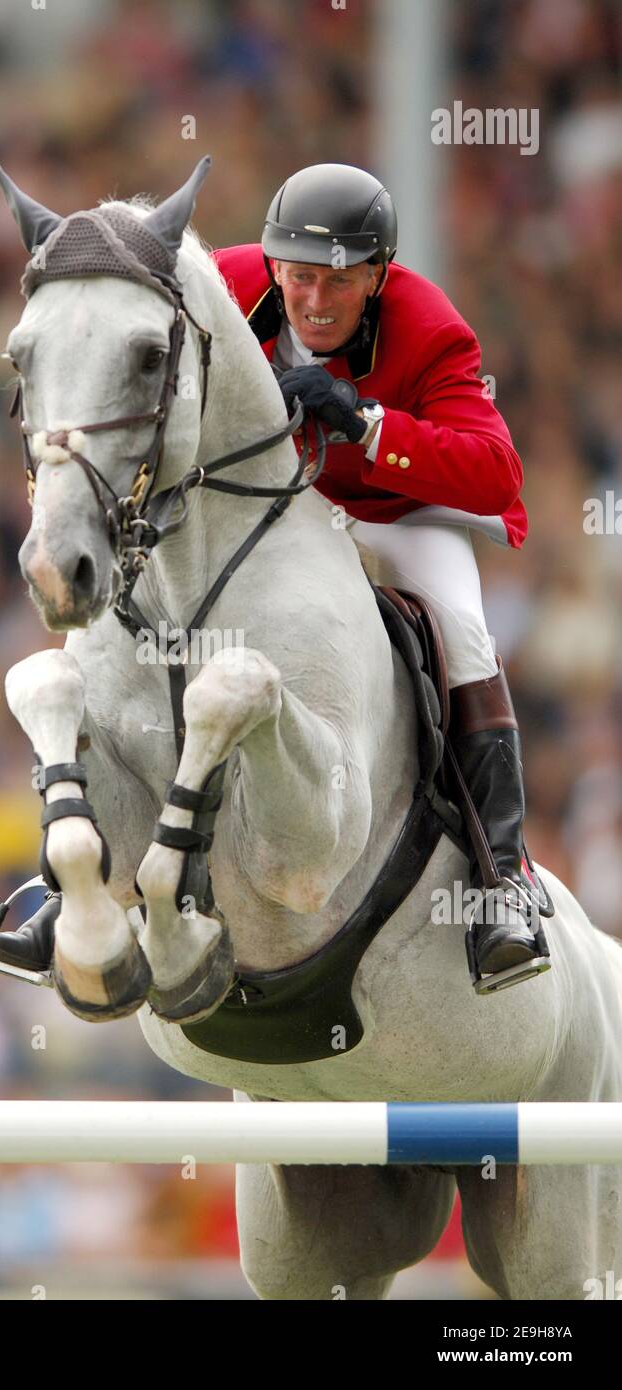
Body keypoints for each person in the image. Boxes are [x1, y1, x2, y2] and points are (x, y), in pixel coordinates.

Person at [212, 162, 547, 992]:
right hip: (287, 513)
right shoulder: (223, 287)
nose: (316, 303)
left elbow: (495, 473)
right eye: (298, 280)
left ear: (377, 275)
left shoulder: (426, 324)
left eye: (340, 282)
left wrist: (365, 424)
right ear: (271, 266)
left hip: (401, 515)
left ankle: (501, 881)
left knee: (463, 627)